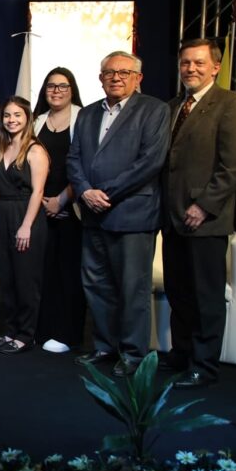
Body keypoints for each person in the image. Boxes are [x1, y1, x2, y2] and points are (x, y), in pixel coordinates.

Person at [68, 51, 171, 377]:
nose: (116, 77)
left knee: (132, 289)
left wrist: (105, 193)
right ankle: (104, 347)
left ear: (138, 78)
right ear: (100, 78)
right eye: (109, 72)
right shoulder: (86, 114)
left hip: (132, 215)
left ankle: (133, 355)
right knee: (97, 286)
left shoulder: (154, 110)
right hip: (93, 214)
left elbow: (150, 162)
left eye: (124, 72)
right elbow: (74, 159)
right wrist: (85, 191)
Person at [162, 38, 236, 389]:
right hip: (172, 218)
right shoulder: (173, 106)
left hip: (207, 219)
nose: (191, 69)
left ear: (216, 67)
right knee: (179, 292)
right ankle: (182, 353)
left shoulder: (232, 104)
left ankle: (204, 365)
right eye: (186, 62)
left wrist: (204, 205)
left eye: (199, 63)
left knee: (206, 296)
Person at [0, 97, 50, 355]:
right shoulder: (1, 148)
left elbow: (38, 192)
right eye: (7, 115)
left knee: (26, 280)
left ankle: (26, 335)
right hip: (2, 214)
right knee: (7, 279)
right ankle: (10, 330)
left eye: (17, 115)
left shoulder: (36, 150)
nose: (11, 120)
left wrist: (26, 226)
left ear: (28, 119)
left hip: (27, 215)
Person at [32, 67, 87, 354]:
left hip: (72, 209)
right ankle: (42, 328)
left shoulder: (85, 118)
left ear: (72, 89)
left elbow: (87, 166)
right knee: (44, 272)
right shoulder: (37, 120)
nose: (56, 91)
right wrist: (41, 200)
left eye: (62, 86)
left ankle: (67, 333)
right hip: (40, 208)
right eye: (51, 86)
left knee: (69, 273)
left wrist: (61, 201)